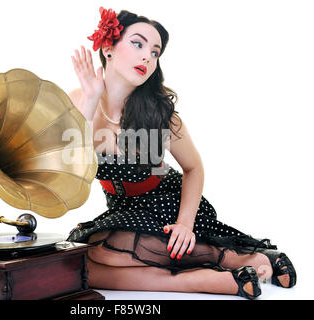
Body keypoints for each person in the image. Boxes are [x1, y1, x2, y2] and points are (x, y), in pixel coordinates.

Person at [66, 7, 296, 299]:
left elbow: (194, 168)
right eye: (138, 44)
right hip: (124, 212)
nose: (147, 57)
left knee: (110, 253)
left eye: (155, 51)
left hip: (167, 205)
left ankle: (231, 259)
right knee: (83, 263)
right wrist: (89, 100)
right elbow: (74, 170)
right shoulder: (79, 99)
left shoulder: (161, 113)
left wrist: (185, 224)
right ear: (108, 48)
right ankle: (211, 277)